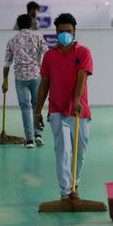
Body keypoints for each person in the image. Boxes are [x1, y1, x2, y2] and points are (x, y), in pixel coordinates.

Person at [34, 13, 93, 200]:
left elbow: (82, 77)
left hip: (78, 110)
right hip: (57, 109)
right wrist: (37, 111)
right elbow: (44, 83)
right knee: (63, 149)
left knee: (80, 150)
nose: (64, 34)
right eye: (61, 31)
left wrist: (76, 100)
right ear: (56, 32)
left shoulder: (83, 52)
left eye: (68, 31)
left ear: (74, 31)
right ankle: (66, 191)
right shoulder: (50, 56)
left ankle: (74, 182)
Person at [3, 14, 49, 148]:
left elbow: (7, 63)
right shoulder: (38, 38)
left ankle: (29, 140)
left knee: (25, 108)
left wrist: (5, 80)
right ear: (31, 25)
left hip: (20, 78)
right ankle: (38, 135)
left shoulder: (12, 41)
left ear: (18, 25)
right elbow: (48, 56)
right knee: (37, 106)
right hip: (36, 76)